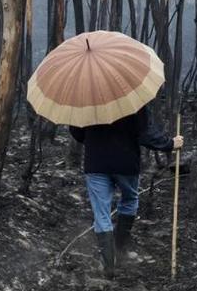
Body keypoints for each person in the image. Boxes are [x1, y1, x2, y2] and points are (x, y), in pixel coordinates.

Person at [69, 105, 183, 279]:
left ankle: (109, 265)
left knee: (102, 213)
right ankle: (120, 251)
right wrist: (170, 144)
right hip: (126, 162)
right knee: (129, 200)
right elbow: (146, 134)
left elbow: (77, 133)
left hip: (96, 163)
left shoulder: (86, 99)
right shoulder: (133, 99)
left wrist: (97, 138)